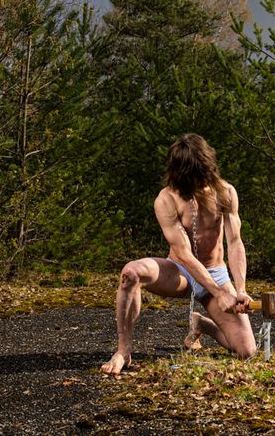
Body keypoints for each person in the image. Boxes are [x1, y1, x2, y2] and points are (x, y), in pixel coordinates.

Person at [101, 133, 256, 374]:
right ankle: (123, 351)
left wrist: (240, 289)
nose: (195, 183)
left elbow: (235, 243)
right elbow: (183, 253)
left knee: (246, 351)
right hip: (180, 272)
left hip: (216, 271)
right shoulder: (166, 198)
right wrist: (218, 293)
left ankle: (205, 326)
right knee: (131, 273)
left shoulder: (225, 192)